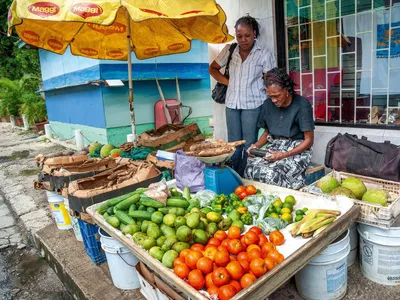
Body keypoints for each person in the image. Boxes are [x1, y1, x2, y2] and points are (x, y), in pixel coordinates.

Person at [209, 15, 275, 176]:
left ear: (254, 33)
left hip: (253, 105)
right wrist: (228, 82)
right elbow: (213, 69)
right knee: (233, 144)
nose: (243, 39)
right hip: (232, 104)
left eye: (247, 35)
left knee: (249, 144)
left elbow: (270, 81)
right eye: (239, 36)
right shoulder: (230, 50)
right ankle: (234, 175)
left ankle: (247, 176)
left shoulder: (264, 54)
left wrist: (271, 105)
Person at [245, 68, 315, 189]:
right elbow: (267, 133)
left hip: (297, 149)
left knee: (273, 173)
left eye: (277, 96)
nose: (274, 100)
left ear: (286, 91)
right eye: (270, 96)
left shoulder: (302, 105)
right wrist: (256, 146)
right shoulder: (267, 105)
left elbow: (309, 140)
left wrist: (284, 155)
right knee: (250, 168)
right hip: (275, 146)